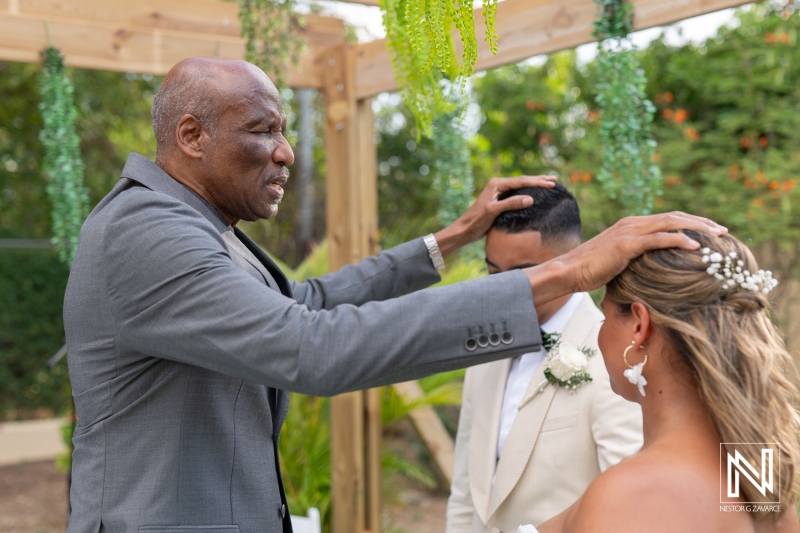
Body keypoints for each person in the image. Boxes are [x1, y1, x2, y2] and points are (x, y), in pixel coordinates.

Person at [63, 56, 725, 533]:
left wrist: (451, 239)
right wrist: (568, 272)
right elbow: (308, 346)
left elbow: (307, 302)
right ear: (190, 136)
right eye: (263, 130)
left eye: (284, 131)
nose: (287, 153)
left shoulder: (204, 229)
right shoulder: (145, 229)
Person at [527, 230, 800, 533]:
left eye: (604, 318)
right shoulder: (757, 476)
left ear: (639, 326)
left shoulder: (633, 493)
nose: (600, 333)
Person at [447, 185, 643, 533]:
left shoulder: (614, 359)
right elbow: (466, 489)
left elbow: (628, 510)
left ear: (572, 262)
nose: (501, 292)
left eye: (522, 276)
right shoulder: (484, 347)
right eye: (494, 273)